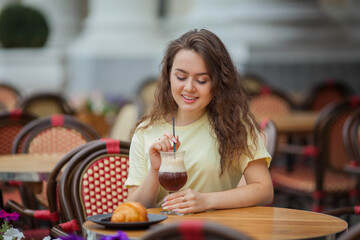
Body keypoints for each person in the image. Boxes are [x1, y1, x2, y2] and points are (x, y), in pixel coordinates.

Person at [125, 29, 273, 214]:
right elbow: (136, 208)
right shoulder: (146, 131)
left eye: (202, 80)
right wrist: (154, 171)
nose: (189, 88)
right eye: (181, 77)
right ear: (168, 76)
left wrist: (207, 201)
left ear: (218, 83)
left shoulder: (235, 125)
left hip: (216, 231)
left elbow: (264, 190)